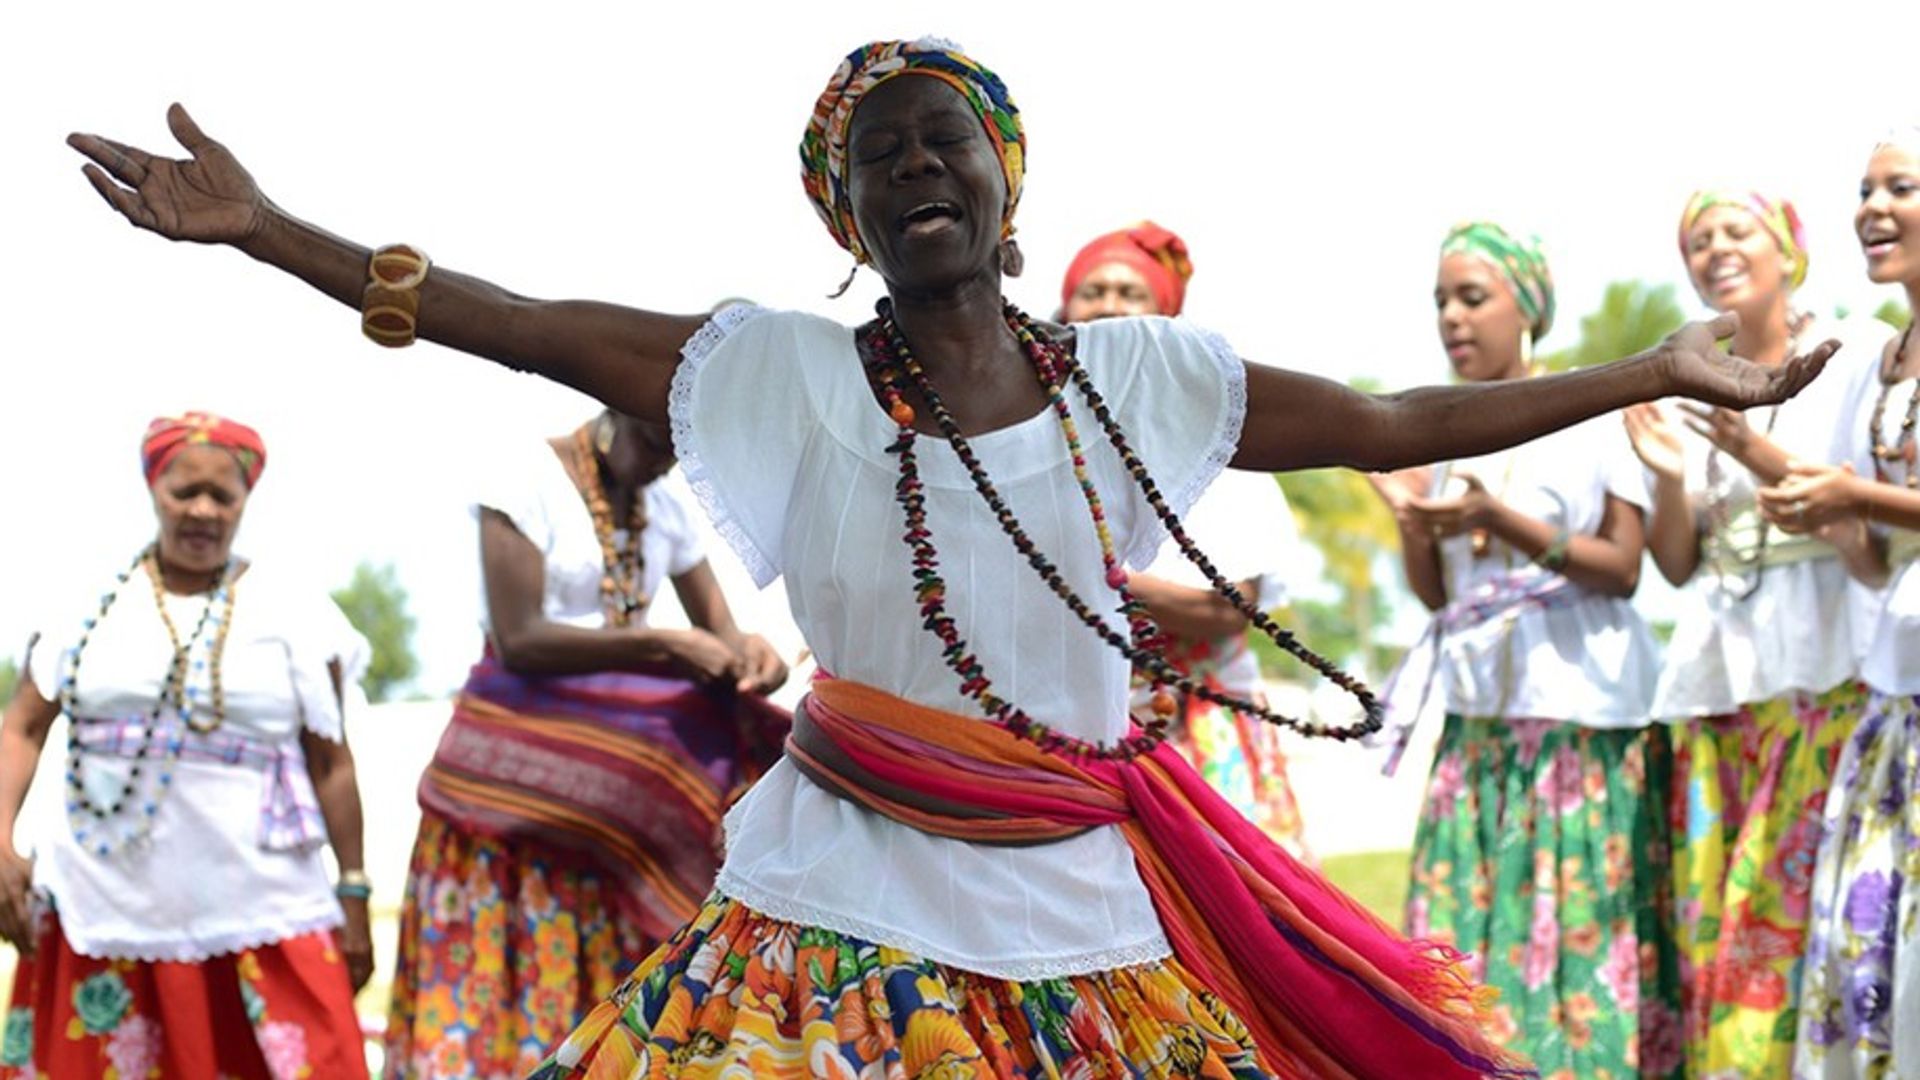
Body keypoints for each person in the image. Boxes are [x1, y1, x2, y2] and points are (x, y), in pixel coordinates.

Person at [67, 38, 1835, 1079]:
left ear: (1005, 186)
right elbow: (514, 318)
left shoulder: (1137, 377)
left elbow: (1384, 426)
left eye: (946, 143)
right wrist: (272, 235)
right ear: (846, 213)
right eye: (876, 155)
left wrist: (1657, 368)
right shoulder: (776, 373)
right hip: (824, 900)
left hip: (1072, 905)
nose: (917, 166)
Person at [382, 410, 790, 1078]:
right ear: (615, 407)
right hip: (516, 768)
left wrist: (751, 655)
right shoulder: (525, 479)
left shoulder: (660, 502)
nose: (662, 463)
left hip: (613, 797)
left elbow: (721, 631)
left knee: (756, 740)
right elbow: (521, 639)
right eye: (655, 443)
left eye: (676, 452)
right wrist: (659, 644)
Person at [1368, 223, 1679, 1077]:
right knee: (1471, 947)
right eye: (1441, 301)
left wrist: (1497, 517)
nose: (1452, 319)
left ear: (1528, 309)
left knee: (1575, 939)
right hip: (1481, 730)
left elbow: (1621, 570)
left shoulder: (1592, 421)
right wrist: (1410, 520)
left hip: (1575, 727)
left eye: (1473, 297)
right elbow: (1440, 597)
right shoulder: (1440, 429)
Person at [0, 412, 373, 1079]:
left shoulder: (300, 615)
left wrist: (353, 891)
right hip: (102, 906)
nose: (202, 510)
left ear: (245, 501)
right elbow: (22, 729)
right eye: (184, 492)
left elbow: (332, 766)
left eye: (222, 496)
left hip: (265, 908)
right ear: (153, 491)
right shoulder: (83, 607)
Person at [1622, 189, 1888, 1077]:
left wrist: (1748, 450)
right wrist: (1666, 477)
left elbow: (1865, 506)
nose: (1716, 251)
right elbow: (1676, 561)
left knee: (1803, 906)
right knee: (1722, 917)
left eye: (1737, 231)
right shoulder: (1696, 375)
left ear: (1787, 249)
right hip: (1718, 679)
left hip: (1825, 664)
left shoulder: (1855, 349)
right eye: (1698, 240)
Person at [1059, 221, 1310, 855]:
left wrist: (1086, 570)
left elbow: (1225, 614)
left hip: (1204, 740)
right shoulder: (1035, 446)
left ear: (1166, 321)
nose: (1110, 305)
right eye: (1093, 291)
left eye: (1130, 292)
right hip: (1077, 739)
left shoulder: (1221, 450)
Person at [1758, 129, 1920, 1080]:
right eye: (1864, 188)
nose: (1872, 205)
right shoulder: (1880, 357)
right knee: (1874, 967)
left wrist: (1852, 497)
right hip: (1892, 708)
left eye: (1901, 186)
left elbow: (1870, 504)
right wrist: (1818, 506)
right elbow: (1873, 563)